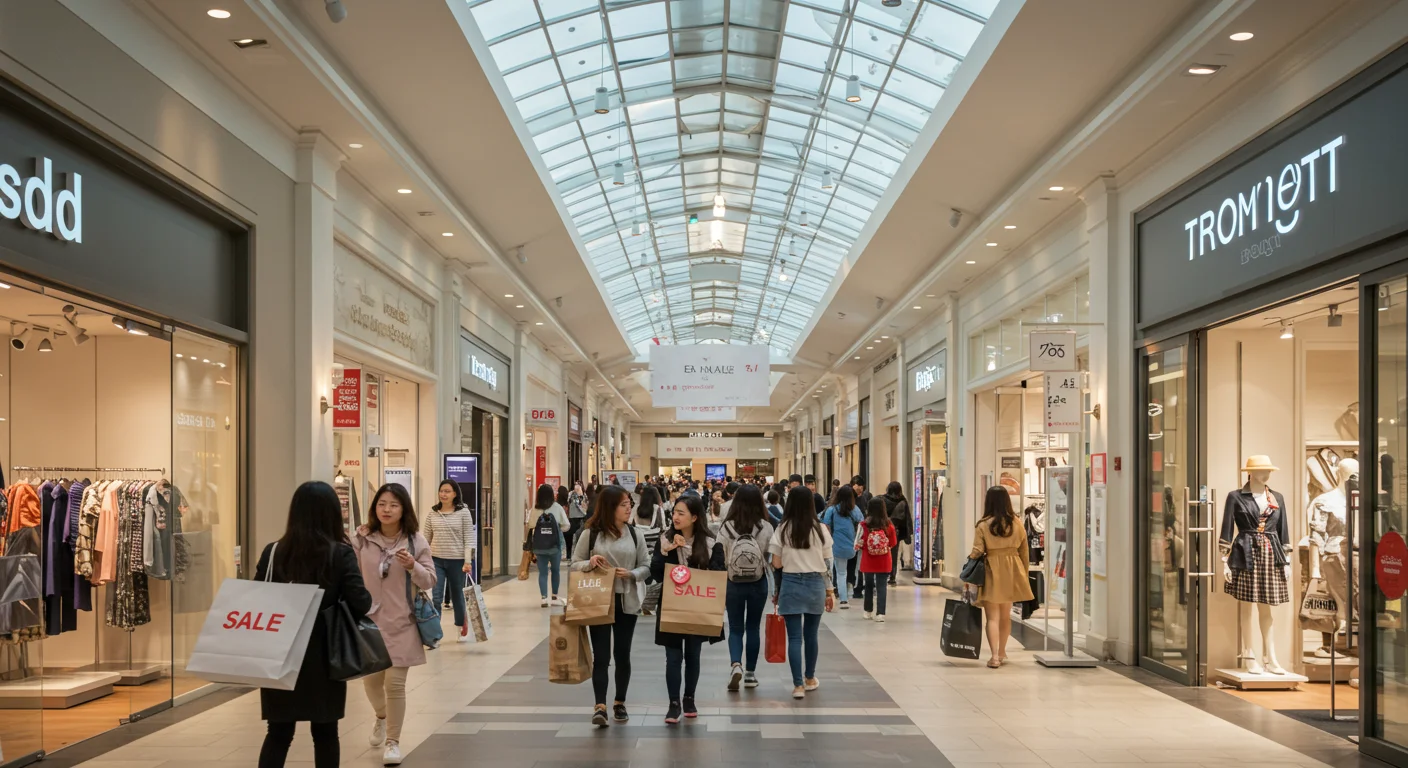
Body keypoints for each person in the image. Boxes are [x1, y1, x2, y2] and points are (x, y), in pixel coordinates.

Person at [255, 482, 372, 768]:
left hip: (280, 652)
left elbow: (258, 599)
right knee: (325, 732)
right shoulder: (340, 554)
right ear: (332, 514)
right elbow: (361, 603)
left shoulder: (273, 552)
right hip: (325, 656)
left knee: (279, 732)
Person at [353, 483, 436, 766]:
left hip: (403, 621)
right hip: (368, 622)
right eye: (381, 504)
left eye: (393, 505)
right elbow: (350, 574)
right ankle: (381, 716)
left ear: (404, 509)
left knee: (395, 684)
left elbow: (430, 581)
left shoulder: (415, 541)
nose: (386, 510)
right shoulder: (362, 538)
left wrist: (414, 565)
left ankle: (393, 741)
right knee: (371, 683)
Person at [571, 485, 652, 727]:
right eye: (623, 505)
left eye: (630, 504)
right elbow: (574, 563)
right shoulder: (591, 534)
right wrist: (590, 562)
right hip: (598, 599)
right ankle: (600, 706)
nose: (629, 509)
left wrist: (632, 573)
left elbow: (647, 566)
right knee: (602, 655)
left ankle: (619, 702)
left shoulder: (635, 534)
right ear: (610, 507)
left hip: (626, 600)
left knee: (622, 654)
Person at [651, 494, 725, 724]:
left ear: (694, 517)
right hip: (672, 606)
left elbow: (718, 575)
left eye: (681, 513)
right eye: (674, 512)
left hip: (698, 607)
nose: (675, 517)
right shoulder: (665, 540)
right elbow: (655, 573)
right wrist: (668, 552)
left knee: (693, 655)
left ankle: (689, 698)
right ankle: (673, 704)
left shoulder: (711, 543)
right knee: (673, 657)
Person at [769, 485, 835, 699]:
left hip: (791, 583)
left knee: (795, 638)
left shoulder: (782, 528)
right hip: (815, 583)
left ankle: (797, 685)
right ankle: (809, 678)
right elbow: (827, 563)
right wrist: (829, 591)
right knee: (811, 635)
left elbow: (776, 563)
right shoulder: (820, 529)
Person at [970, 487, 1035, 668]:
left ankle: (993, 657)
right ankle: (1002, 652)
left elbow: (977, 551)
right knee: (1006, 616)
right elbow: (1024, 551)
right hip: (1013, 570)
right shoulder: (1017, 523)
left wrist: (968, 571)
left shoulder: (983, 525)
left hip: (991, 569)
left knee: (992, 617)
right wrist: (1024, 573)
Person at [718, 484, 774, 692]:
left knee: (735, 627)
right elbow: (771, 555)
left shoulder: (726, 527)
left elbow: (719, 554)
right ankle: (750, 674)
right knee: (752, 627)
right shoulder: (766, 527)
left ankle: (735, 665)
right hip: (758, 582)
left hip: (732, 582)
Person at [425, 479, 475, 643]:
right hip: (436, 559)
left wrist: (468, 560)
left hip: (457, 561)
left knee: (457, 596)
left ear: (455, 494)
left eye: (447, 491)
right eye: (441, 491)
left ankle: (461, 626)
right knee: (437, 597)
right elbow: (425, 539)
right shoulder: (433, 513)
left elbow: (469, 538)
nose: (443, 494)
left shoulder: (463, 512)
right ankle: (435, 633)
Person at [821, 486, 862, 609]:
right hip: (853, 546)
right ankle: (852, 587)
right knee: (854, 569)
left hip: (837, 545)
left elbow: (825, 525)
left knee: (840, 572)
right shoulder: (854, 509)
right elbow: (862, 524)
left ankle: (843, 599)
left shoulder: (832, 510)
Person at [857, 497, 898, 622]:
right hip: (884, 560)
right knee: (881, 586)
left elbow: (860, 543)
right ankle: (881, 613)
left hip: (868, 559)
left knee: (868, 585)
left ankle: (867, 611)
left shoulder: (864, 525)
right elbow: (893, 542)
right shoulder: (888, 525)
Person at [530, 483, 570, 607]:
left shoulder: (535, 509)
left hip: (540, 546)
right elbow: (566, 526)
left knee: (542, 572)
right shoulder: (557, 507)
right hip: (554, 546)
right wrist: (557, 529)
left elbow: (531, 525)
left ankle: (543, 598)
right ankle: (554, 596)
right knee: (556, 570)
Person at [883, 482, 913, 586]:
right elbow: (907, 518)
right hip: (896, 531)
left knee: (883, 552)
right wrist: (908, 534)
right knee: (894, 554)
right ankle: (892, 576)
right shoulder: (902, 501)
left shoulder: (883, 500)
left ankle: (884, 572)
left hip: (884, 530)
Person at [567, 481, 589, 554]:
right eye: (575, 484)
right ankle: (570, 553)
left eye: (578, 484)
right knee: (572, 534)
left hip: (581, 516)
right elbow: (570, 502)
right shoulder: (571, 493)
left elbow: (586, 503)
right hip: (573, 516)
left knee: (579, 534)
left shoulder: (584, 494)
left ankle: (578, 551)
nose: (577, 486)